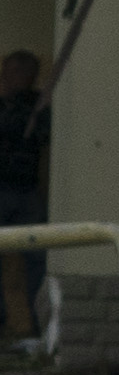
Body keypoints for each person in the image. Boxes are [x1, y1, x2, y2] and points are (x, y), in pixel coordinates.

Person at [0, 45, 45, 350]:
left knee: (36, 257)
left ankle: (34, 322)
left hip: (26, 190)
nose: (11, 77)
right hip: (2, 188)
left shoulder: (39, 106)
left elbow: (38, 134)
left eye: (17, 72)